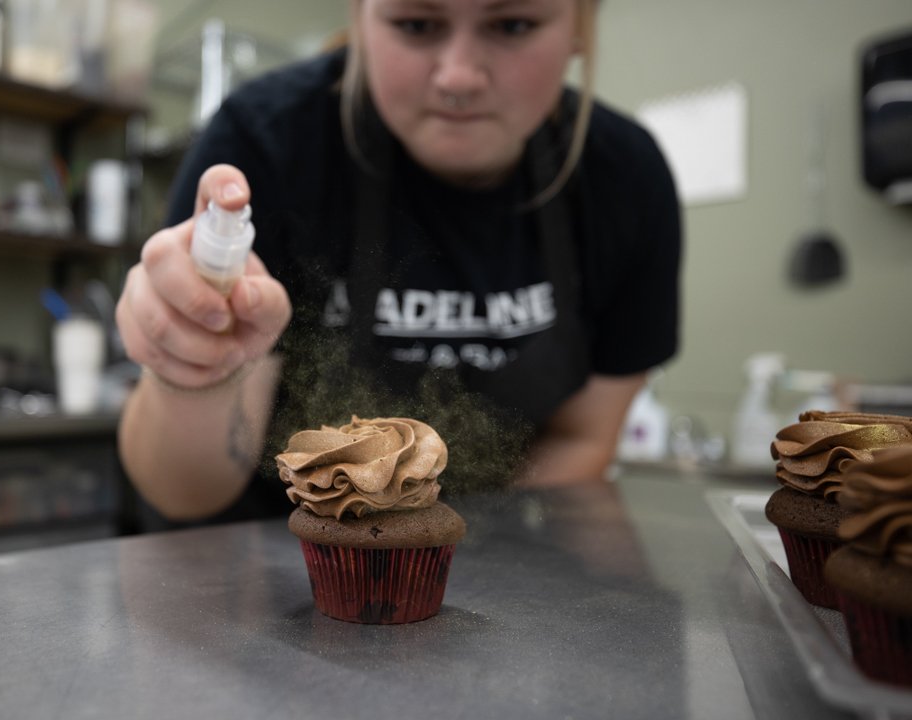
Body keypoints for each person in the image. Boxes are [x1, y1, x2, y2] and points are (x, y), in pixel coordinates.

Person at [116, 0, 681, 523]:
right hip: (268, 574)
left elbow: (582, 439)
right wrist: (195, 370)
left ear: (579, 27)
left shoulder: (624, 178)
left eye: (513, 25)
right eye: (416, 24)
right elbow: (182, 493)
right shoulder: (266, 145)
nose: (459, 76)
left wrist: (463, 556)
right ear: (361, 17)